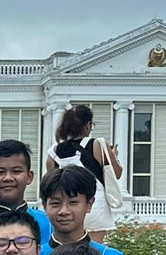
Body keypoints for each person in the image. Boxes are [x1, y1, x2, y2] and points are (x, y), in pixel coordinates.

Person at [49, 103, 128, 240]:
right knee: (93, 249)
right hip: (95, 205)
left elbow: (51, 182)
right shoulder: (97, 144)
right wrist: (114, 155)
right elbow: (117, 173)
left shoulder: (53, 152)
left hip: (67, 206)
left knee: (67, 248)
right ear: (87, 125)